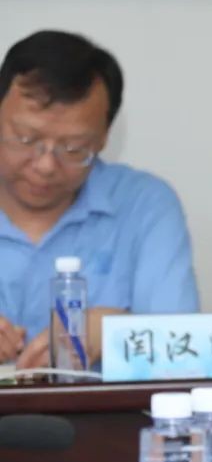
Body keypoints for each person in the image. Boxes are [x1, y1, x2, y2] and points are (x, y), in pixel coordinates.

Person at [0, 30, 199, 370]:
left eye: (74, 148)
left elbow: (193, 354)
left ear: (104, 138)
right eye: (25, 138)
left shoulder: (144, 206)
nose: (46, 165)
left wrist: (116, 334)